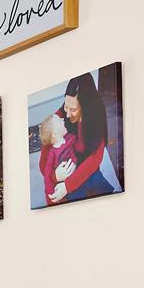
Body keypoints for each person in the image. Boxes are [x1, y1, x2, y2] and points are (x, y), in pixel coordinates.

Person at [48, 73, 122, 203]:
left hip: (89, 170)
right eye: (66, 106)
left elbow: (94, 159)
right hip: (70, 168)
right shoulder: (61, 115)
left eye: (73, 109)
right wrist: (55, 176)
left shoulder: (97, 115)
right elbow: (45, 159)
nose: (67, 113)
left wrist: (67, 186)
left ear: (87, 107)